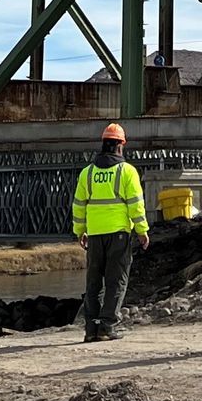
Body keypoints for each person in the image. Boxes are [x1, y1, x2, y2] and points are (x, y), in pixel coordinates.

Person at [72, 122, 148, 341]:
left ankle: (90, 329)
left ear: (103, 144)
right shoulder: (127, 172)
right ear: (121, 145)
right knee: (116, 281)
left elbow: (79, 205)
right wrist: (142, 230)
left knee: (93, 283)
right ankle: (107, 327)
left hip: (95, 235)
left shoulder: (87, 173)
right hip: (119, 234)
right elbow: (136, 205)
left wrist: (80, 230)